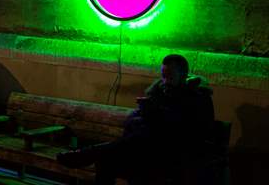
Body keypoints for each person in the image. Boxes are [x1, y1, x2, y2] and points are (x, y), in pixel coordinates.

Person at [57, 54, 215, 184]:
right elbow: (134, 123)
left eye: (170, 77)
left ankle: (87, 154)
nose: (165, 81)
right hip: (146, 149)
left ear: (183, 75)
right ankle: (91, 153)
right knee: (107, 159)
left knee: (134, 145)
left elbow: (182, 130)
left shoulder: (196, 98)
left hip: (176, 154)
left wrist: (154, 114)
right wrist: (145, 113)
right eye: (163, 76)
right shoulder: (159, 92)